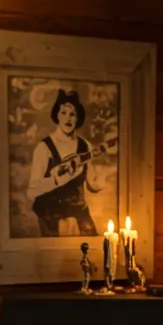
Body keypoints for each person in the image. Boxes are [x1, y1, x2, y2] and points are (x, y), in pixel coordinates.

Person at [28, 89, 99, 236]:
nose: (68, 118)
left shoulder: (85, 146)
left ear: (78, 118)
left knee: (94, 245)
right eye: (63, 113)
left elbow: (92, 183)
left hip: (78, 211)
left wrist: (100, 181)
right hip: (51, 214)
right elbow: (33, 189)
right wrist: (57, 179)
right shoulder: (44, 148)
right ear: (57, 115)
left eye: (72, 114)